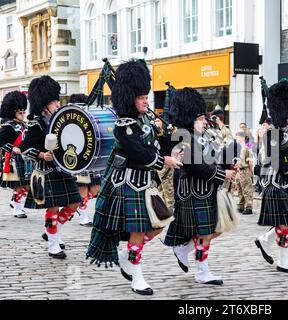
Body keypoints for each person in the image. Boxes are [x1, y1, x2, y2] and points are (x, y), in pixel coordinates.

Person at [86, 60, 181, 295]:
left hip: (145, 182)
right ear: (129, 99)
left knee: (160, 224)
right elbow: (139, 152)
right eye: (140, 97)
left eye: (145, 96)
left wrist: (173, 144)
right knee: (139, 230)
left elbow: (156, 144)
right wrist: (164, 160)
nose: (146, 100)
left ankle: (126, 256)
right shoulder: (123, 126)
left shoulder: (144, 121)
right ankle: (137, 275)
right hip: (128, 183)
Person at [164, 87, 236, 285]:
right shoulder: (182, 138)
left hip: (206, 191)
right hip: (192, 193)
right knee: (205, 232)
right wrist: (224, 174)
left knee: (216, 229)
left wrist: (229, 164)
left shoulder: (202, 137)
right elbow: (199, 168)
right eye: (201, 118)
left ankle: (184, 247)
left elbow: (213, 159)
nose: (205, 121)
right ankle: (202, 271)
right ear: (190, 118)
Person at [20, 76, 81, 259]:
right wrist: (41, 154)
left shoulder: (59, 120)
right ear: (44, 104)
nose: (57, 104)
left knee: (75, 203)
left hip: (62, 169)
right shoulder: (37, 123)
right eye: (54, 102)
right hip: (46, 171)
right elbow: (24, 149)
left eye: (56, 101)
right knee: (53, 208)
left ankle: (52, 232)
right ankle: (53, 244)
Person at [255, 80, 288, 275]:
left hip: (286, 184)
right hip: (275, 183)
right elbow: (276, 162)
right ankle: (283, 259)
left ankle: (267, 241)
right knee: (287, 222)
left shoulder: (287, 133)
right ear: (283, 112)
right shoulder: (273, 134)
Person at [68, 93, 100, 227]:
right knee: (82, 190)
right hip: (78, 159)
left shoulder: (89, 119)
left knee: (95, 191)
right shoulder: (69, 121)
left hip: (91, 160)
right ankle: (83, 214)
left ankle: (78, 208)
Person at [0, 91, 29, 218]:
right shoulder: (7, 126)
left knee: (27, 186)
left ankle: (14, 200)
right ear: (13, 112)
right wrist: (12, 148)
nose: (23, 115)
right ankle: (17, 208)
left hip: (25, 158)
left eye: (23, 112)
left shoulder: (25, 125)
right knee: (19, 185)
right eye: (20, 112)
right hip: (13, 159)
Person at [235, 130, 254, 215]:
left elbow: (250, 161)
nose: (236, 138)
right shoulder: (239, 147)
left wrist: (251, 171)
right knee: (240, 189)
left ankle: (249, 207)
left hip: (245, 170)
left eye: (237, 136)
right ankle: (241, 206)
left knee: (247, 189)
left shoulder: (247, 147)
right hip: (239, 170)